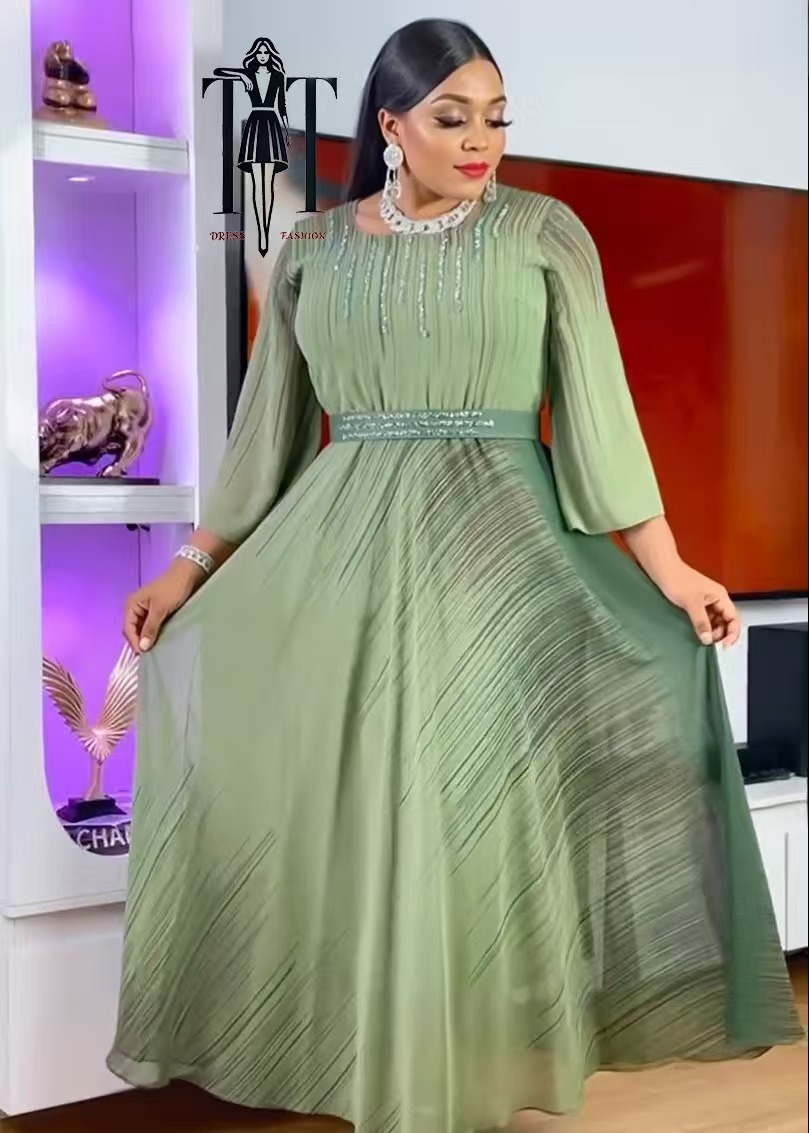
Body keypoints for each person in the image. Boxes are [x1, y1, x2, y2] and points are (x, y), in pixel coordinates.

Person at [107, 17, 803, 1133]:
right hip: (340, 567)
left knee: (467, 811)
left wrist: (671, 570)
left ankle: (456, 1082)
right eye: (452, 117)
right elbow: (264, 440)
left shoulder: (544, 233)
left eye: (496, 118)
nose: (481, 140)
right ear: (392, 126)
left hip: (498, 565)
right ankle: (379, 1072)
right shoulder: (312, 247)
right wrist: (188, 569)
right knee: (365, 815)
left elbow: (599, 419)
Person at [213, 37, 290, 257]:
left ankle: (266, 230)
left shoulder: (278, 76)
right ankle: (261, 233)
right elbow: (218, 71)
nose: (263, 56)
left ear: (270, 55)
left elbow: (282, 106)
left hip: (272, 125)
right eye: (260, 52)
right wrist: (242, 75)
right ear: (255, 55)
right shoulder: (248, 74)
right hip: (255, 126)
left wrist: (286, 132)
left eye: (266, 52)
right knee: (256, 185)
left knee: (269, 185)